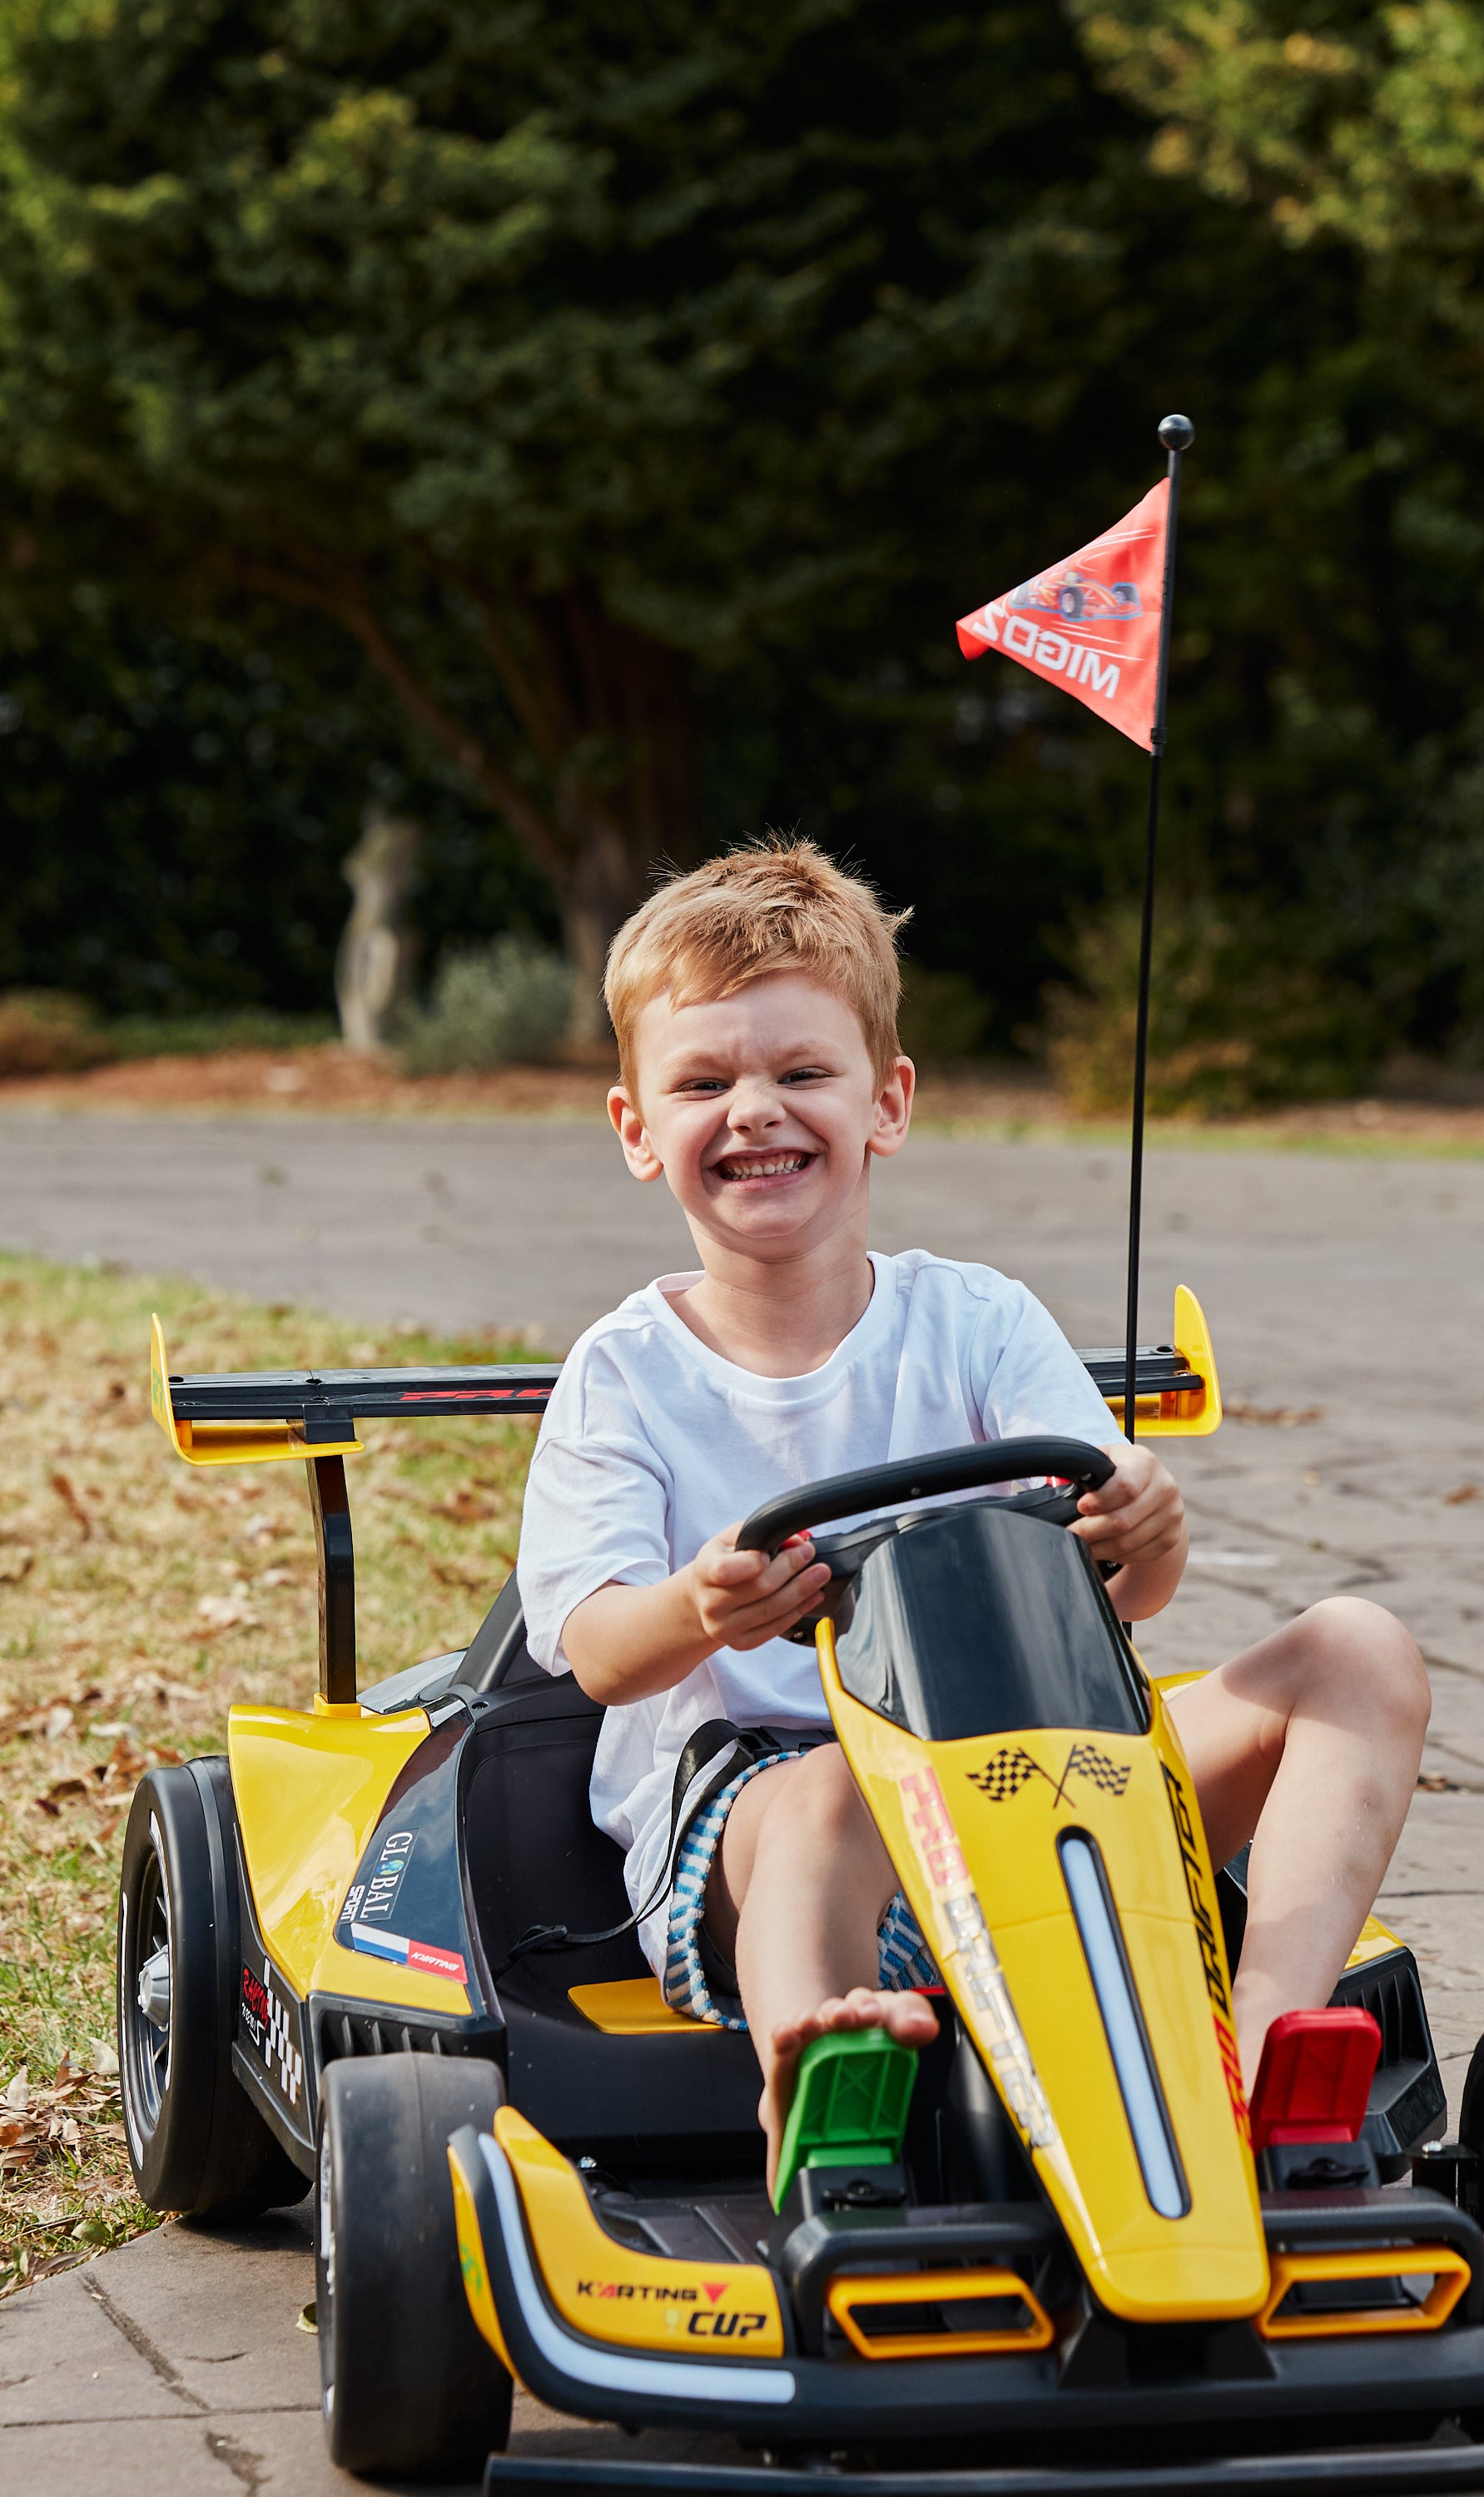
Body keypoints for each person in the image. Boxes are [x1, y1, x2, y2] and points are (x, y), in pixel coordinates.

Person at [518, 842, 1428, 2188]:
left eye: (800, 1074)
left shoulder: (980, 1322)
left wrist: (1147, 1527)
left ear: (885, 1103)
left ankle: (1273, 2041)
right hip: (762, 1818)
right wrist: (698, 1606)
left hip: (1031, 1774)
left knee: (1361, 1648)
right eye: (705, 1083)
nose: (755, 1110)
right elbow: (593, 1648)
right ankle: (817, 2091)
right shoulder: (625, 1373)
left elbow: (1121, 1578)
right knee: (838, 1791)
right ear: (638, 1130)